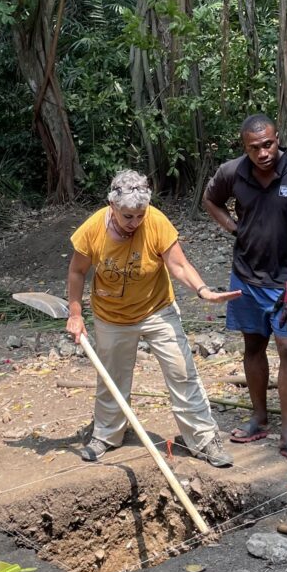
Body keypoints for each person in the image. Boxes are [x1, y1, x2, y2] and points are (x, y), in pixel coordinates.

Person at [66, 170, 240, 467]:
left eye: (140, 215)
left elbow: (179, 265)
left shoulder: (156, 221)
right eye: (127, 216)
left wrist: (203, 290)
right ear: (112, 206)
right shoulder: (93, 229)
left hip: (157, 309)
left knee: (182, 371)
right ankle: (106, 434)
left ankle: (203, 438)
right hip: (111, 316)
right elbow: (77, 271)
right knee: (112, 378)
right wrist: (75, 313)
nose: (135, 222)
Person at [203, 114, 287, 462]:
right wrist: (233, 228)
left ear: (278, 139)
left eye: (268, 144)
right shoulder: (232, 172)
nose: (263, 152)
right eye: (254, 147)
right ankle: (259, 417)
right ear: (245, 147)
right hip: (246, 276)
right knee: (253, 345)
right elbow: (210, 200)